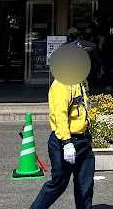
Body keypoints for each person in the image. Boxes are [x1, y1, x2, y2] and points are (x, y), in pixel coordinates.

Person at [29, 77, 94, 209]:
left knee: (85, 184)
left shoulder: (80, 83)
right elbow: (60, 116)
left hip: (84, 140)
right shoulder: (62, 84)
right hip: (64, 142)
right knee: (59, 183)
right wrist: (67, 142)